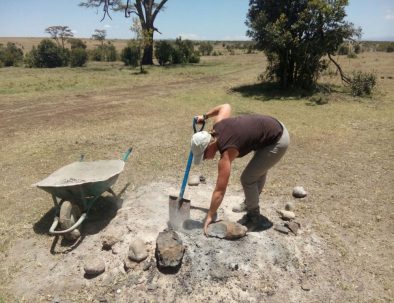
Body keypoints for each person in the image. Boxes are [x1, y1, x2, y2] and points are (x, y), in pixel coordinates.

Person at [190, 104, 290, 234]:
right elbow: (225, 107)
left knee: (248, 178)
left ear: (209, 146)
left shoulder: (226, 153)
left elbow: (220, 191)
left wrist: (209, 215)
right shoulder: (217, 126)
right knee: (257, 171)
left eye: (203, 155)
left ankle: (254, 217)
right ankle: (250, 202)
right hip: (271, 128)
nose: (204, 159)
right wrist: (205, 116)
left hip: (277, 140)